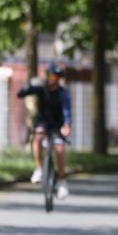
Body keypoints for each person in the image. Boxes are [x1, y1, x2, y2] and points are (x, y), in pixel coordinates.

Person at [17, 62, 72, 200]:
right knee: (38, 137)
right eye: (49, 75)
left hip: (57, 125)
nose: (50, 78)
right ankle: (39, 169)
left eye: (54, 76)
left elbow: (67, 111)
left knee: (59, 149)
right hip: (43, 123)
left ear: (58, 79)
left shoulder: (63, 94)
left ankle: (62, 182)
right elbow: (21, 93)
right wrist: (30, 85)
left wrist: (66, 124)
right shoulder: (41, 89)